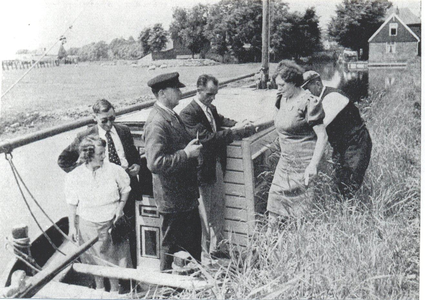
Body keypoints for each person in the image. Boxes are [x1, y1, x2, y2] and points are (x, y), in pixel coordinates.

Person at [179, 74, 254, 264]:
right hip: (202, 172)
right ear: (199, 90)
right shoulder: (188, 113)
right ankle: (205, 256)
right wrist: (235, 132)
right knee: (205, 214)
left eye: (215, 94)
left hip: (216, 168)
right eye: (210, 94)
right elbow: (206, 139)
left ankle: (217, 250)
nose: (213, 98)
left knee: (219, 209)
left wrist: (239, 124)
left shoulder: (210, 108)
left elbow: (221, 121)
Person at [58, 99, 141, 268]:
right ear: (94, 117)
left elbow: (132, 154)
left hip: (125, 189)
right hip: (102, 195)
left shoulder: (123, 131)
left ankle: (130, 280)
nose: (109, 124)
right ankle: (108, 280)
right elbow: (63, 160)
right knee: (104, 242)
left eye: (112, 118)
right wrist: (87, 174)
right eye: (104, 120)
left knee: (127, 235)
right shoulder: (85, 136)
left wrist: (137, 165)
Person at [143, 72, 203, 272]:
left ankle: (192, 285)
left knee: (192, 247)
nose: (180, 92)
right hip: (172, 199)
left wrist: (188, 148)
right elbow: (155, 162)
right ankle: (166, 290)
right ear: (162, 93)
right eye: (176, 89)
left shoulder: (170, 115)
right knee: (171, 250)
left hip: (184, 196)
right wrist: (186, 154)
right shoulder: (157, 122)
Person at [65, 135, 131, 294]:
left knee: (112, 259)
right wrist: (72, 228)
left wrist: (120, 208)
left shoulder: (114, 170)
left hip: (110, 221)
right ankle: (99, 289)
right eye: (100, 154)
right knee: (93, 259)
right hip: (87, 223)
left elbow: (126, 190)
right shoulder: (74, 176)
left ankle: (115, 291)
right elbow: (72, 204)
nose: (104, 156)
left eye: (104, 153)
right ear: (88, 156)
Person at [267, 60, 328, 228]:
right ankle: (268, 245)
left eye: (282, 85)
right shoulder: (281, 98)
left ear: (294, 81)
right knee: (274, 203)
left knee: (302, 214)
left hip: (305, 165)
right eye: (276, 85)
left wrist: (313, 166)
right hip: (285, 162)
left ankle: (298, 245)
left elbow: (322, 136)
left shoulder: (309, 102)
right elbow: (280, 120)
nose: (278, 88)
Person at [301, 71, 372, 198]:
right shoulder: (319, 99)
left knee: (350, 183)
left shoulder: (333, 97)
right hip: (341, 145)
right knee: (339, 182)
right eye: (302, 90)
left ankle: (353, 212)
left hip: (356, 143)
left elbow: (319, 126)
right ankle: (343, 210)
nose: (305, 93)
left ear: (317, 84)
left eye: (307, 88)